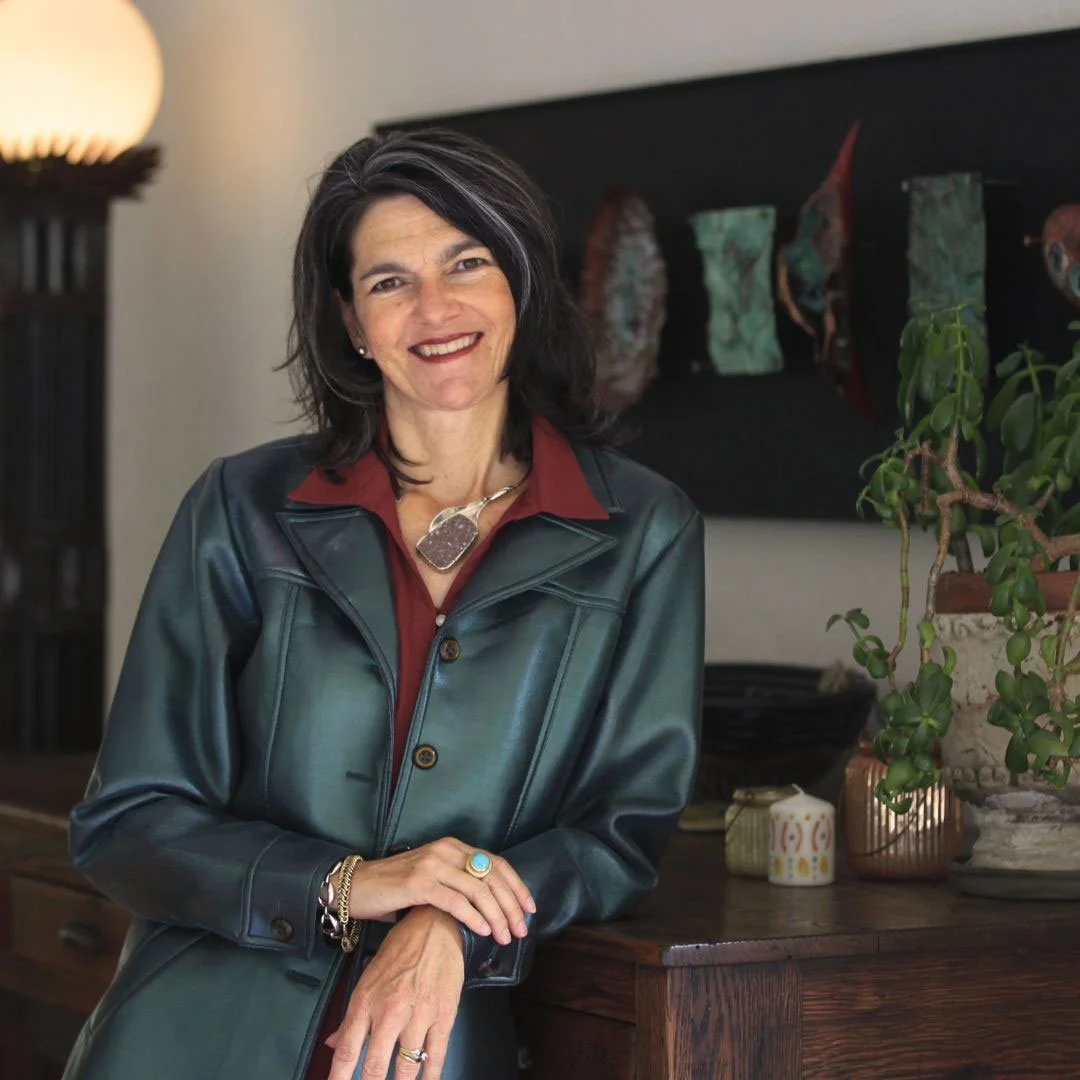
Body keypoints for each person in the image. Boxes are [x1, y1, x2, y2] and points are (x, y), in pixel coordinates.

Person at [62, 127, 704, 1080]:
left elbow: (622, 833)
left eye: (466, 263)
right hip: (192, 1039)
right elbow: (126, 821)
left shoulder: (642, 530)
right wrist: (345, 884)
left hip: (431, 1048)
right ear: (352, 321)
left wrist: (452, 915)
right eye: (390, 281)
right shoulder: (241, 508)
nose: (434, 308)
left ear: (522, 282)